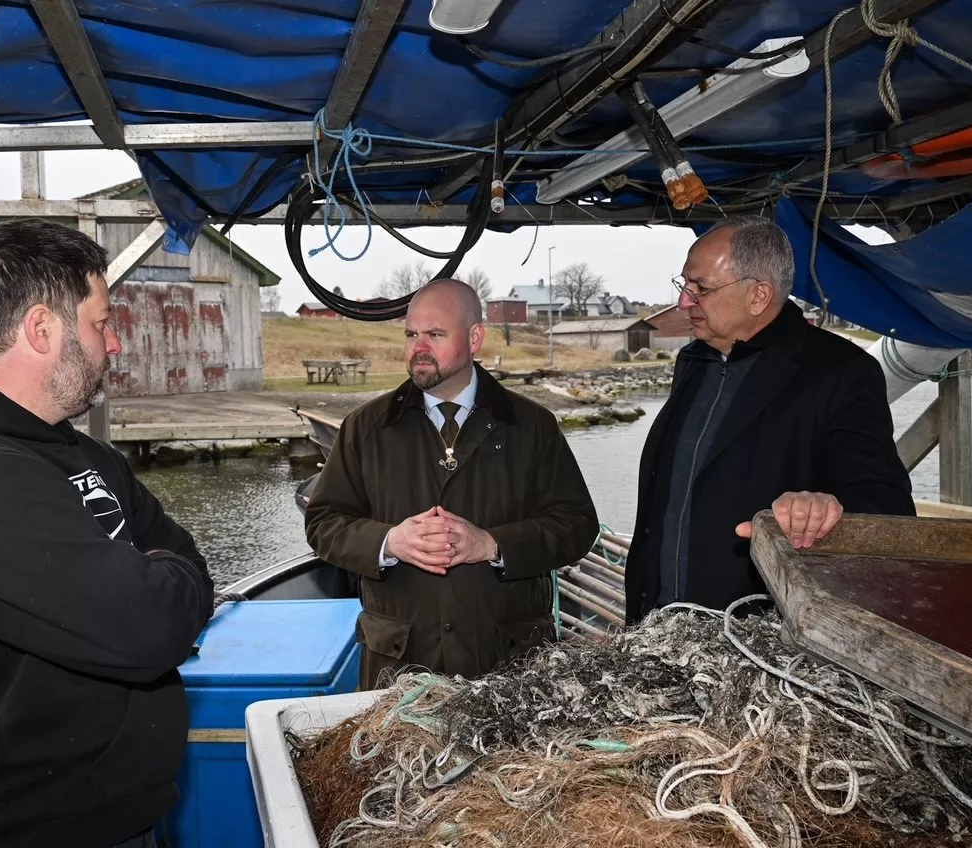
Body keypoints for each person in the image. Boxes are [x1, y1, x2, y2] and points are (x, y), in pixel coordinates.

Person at [0, 219, 215, 848]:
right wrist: (157, 579)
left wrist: (162, 579)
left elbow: (185, 555)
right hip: (32, 837)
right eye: (101, 322)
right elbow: (154, 625)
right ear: (42, 329)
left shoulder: (79, 453)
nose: (113, 343)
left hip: (119, 818)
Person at [304, 278, 599, 690]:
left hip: (510, 669)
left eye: (435, 335)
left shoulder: (531, 426)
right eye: (411, 335)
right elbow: (323, 523)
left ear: (475, 337)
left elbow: (576, 525)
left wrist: (492, 545)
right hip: (398, 668)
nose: (418, 348)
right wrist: (389, 542)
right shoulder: (366, 428)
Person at [626, 215, 914, 622]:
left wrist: (825, 506)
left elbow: (888, 507)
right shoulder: (692, 362)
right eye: (684, 286)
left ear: (759, 296)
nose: (683, 303)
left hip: (755, 634)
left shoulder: (840, 371)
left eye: (700, 289)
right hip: (659, 622)